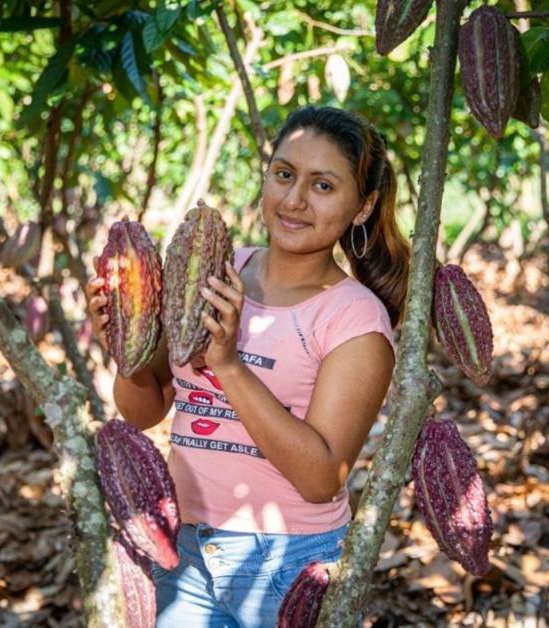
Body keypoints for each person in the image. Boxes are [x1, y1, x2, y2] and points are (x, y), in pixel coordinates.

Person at [86, 106, 410, 627]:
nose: (294, 200)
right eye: (284, 175)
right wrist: (126, 348)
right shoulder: (217, 268)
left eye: (323, 186)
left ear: (363, 206)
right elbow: (145, 411)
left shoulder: (354, 318)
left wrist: (230, 366)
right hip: (183, 543)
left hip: (286, 561)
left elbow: (322, 477)